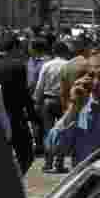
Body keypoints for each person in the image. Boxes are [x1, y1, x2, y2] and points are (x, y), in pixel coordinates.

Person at [0, 36, 42, 173]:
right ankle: (16, 178)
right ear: (15, 48)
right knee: (26, 154)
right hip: (15, 117)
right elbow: (24, 94)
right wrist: (33, 116)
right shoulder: (18, 66)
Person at [33, 41, 72, 172]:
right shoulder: (68, 65)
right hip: (63, 102)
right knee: (62, 132)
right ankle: (59, 164)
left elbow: (40, 85)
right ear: (65, 51)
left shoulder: (46, 65)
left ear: (54, 52)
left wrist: (37, 101)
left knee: (48, 132)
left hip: (48, 101)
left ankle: (48, 163)